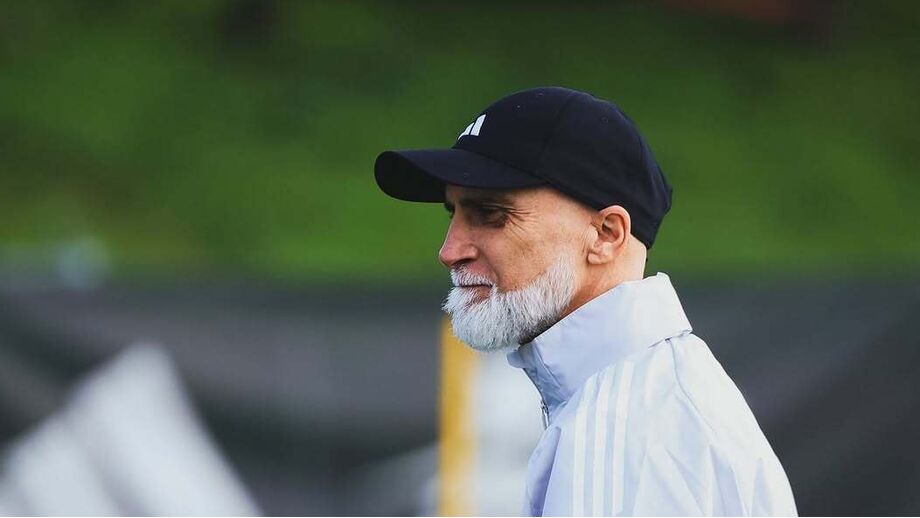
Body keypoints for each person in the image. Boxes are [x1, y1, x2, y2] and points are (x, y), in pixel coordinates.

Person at [374, 86, 797, 516]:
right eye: (455, 214)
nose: (450, 250)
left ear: (606, 234)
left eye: (490, 214)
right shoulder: (641, 397)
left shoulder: (626, 426)